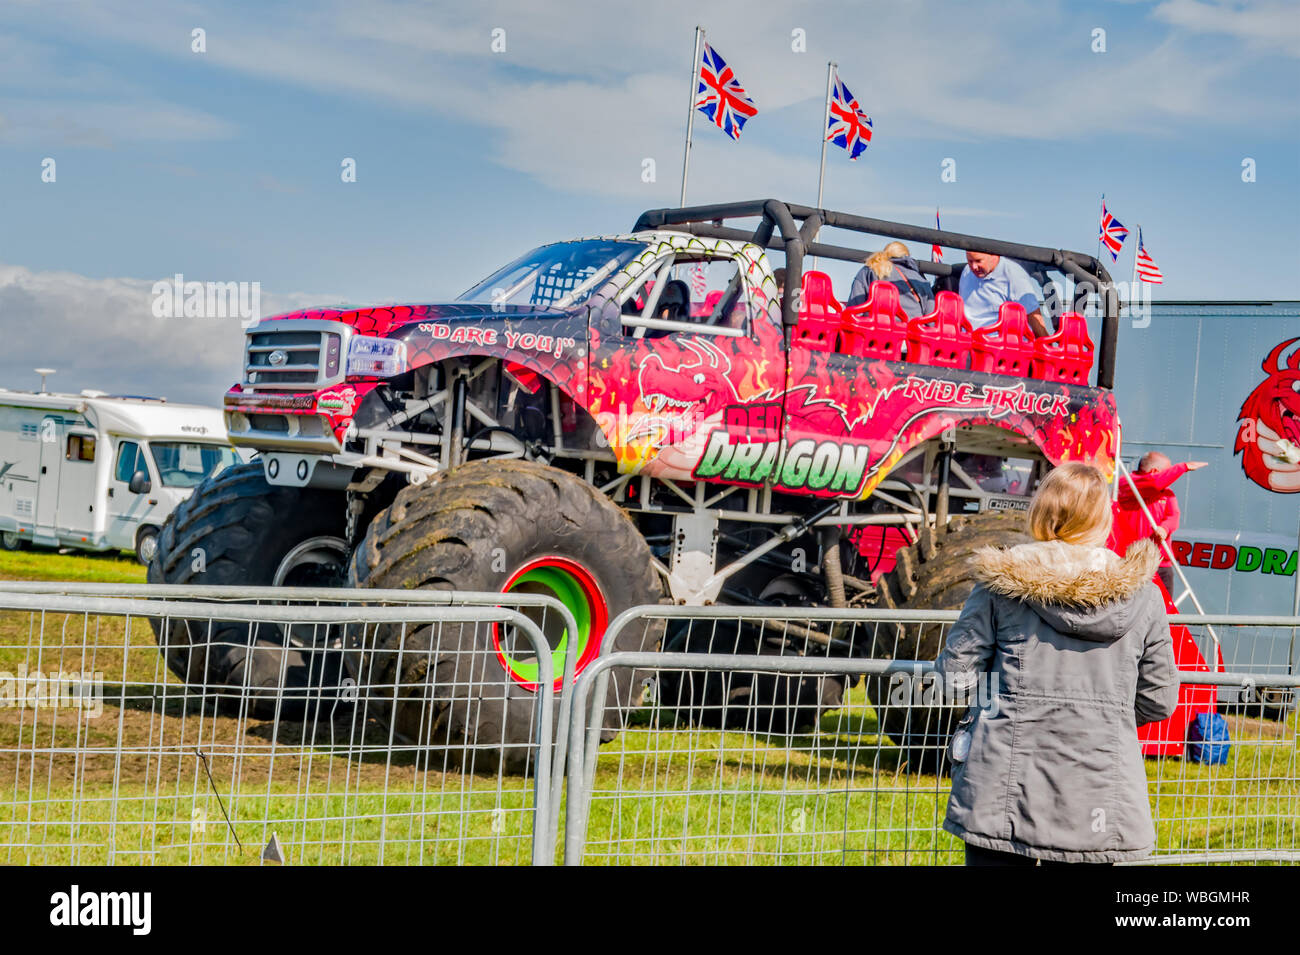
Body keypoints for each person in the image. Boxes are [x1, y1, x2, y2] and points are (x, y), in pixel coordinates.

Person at [935, 461, 1178, 866]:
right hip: (1099, 795)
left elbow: (955, 678)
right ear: (1103, 519)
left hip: (1001, 794)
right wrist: (1103, 716)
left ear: (1042, 512)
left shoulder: (999, 584)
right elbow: (1159, 699)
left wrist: (1000, 700)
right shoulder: (1145, 597)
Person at [1108, 452, 1208, 593]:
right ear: (1154, 472)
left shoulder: (1167, 493)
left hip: (1161, 562)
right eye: (1168, 472)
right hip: (1134, 561)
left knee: (1165, 609)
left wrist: (1165, 528)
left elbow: (1174, 516)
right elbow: (1155, 483)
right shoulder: (1127, 484)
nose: (1170, 478)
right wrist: (1183, 467)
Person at [959, 251, 1049, 336]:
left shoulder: (1015, 276)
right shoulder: (967, 271)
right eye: (970, 261)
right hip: (968, 342)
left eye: (978, 261)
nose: (974, 266)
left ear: (993, 256)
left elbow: (1035, 319)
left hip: (1000, 345)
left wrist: (1048, 348)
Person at [847, 241, 936, 317]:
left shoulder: (870, 269)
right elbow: (931, 321)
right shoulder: (920, 280)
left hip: (875, 332)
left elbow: (854, 309)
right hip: (909, 334)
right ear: (907, 256)